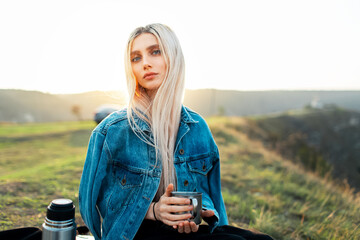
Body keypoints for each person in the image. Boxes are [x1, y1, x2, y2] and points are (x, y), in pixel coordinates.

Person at [79, 23, 273, 240]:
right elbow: (93, 205)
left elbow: (212, 196)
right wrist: (155, 211)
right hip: (135, 233)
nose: (145, 64)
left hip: (183, 231)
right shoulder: (111, 132)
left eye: (155, 52)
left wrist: (201, 212)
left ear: (174, 56)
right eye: (136, 58)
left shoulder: (197, 127)